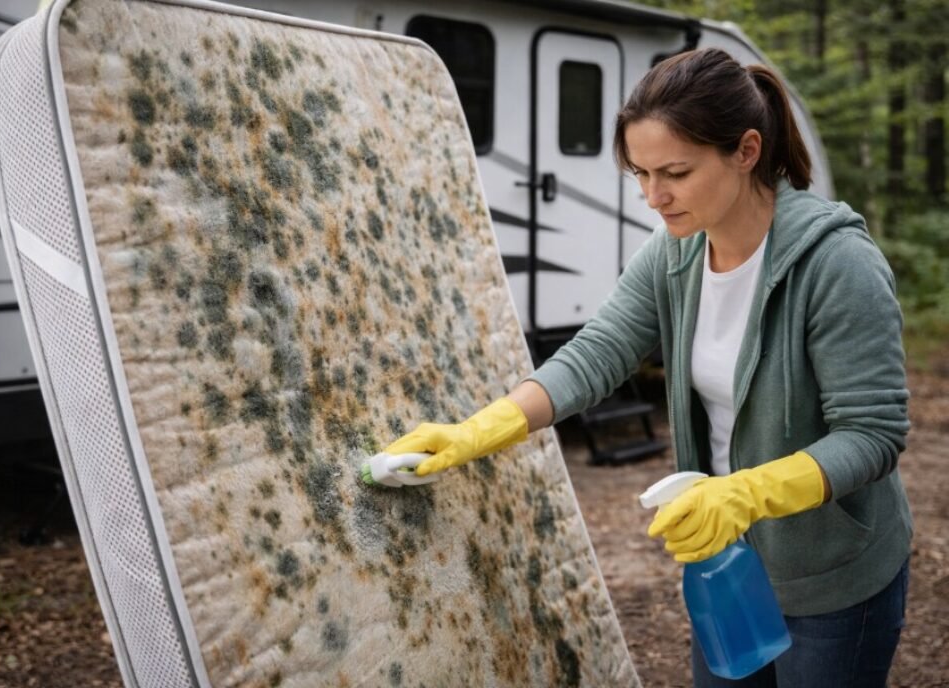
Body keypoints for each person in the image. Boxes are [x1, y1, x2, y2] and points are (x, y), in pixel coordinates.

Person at [382, 48, 912, 687]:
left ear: (746, 152)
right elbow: (597, 352)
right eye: (639, 173)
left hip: (832, 577)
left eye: (676, 173)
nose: (653, 197)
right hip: (728, 563)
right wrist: (476, 430)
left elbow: (872, 435)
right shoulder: (675, 252)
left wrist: (746, 494)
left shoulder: (837, 264)